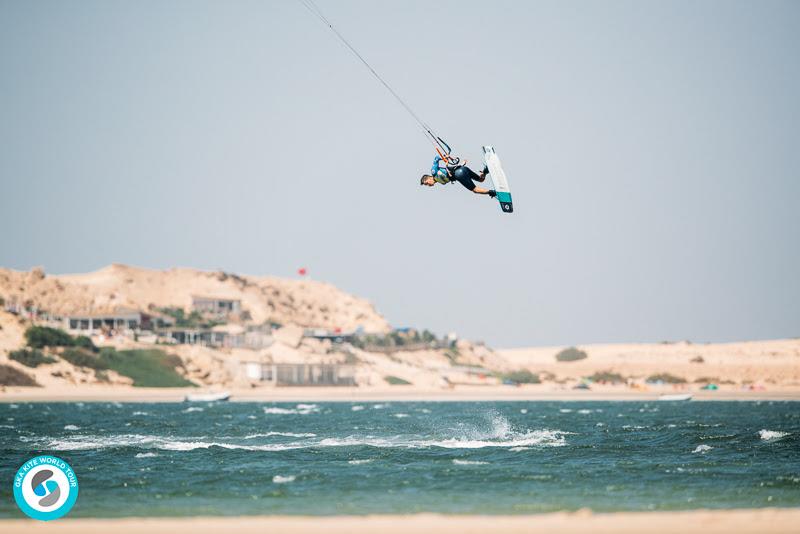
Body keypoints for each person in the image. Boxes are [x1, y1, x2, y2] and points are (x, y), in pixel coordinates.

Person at [420, 154, 496, 197]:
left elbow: (436, 158)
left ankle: (493, 192)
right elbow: (449, 170)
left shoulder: (433, 172)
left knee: (475, 190)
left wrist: (444, 157)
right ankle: (485, 171)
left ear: (428, 179)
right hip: (462, 169)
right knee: (480, 179)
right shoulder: (440, 181)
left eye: (427, 183)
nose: (428, 185)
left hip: (459, 174)